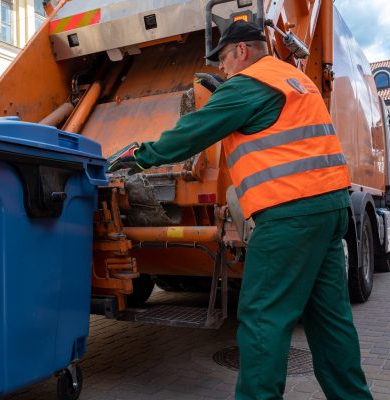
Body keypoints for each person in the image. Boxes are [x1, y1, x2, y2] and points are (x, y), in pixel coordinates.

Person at [108, 21, 373, 400]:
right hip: (330, 211)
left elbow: (192, 132)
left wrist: (139, 157)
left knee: (264, 319)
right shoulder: (292, 77)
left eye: (225, 61)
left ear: (242, 51)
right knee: (330, 322)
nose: (224, 70)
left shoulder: (247, 85)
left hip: (288, 215)